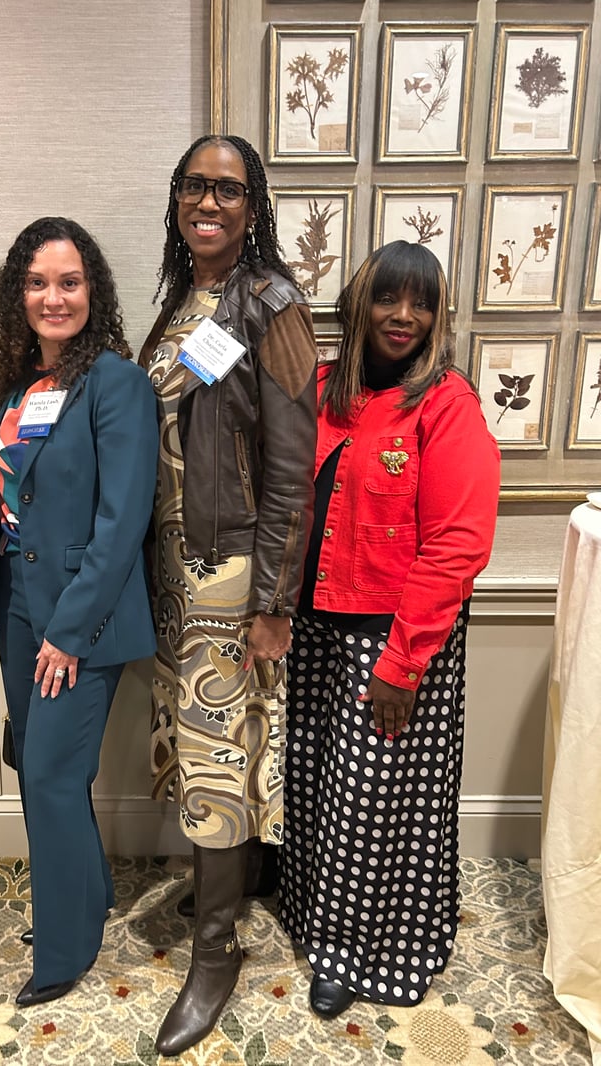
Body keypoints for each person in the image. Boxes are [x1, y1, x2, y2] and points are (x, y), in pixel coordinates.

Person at [278, 240, 501, 1019]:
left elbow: (458, 543)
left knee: (375, 803)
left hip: (393, 639)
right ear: (359, 303)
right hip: (314, 628)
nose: (402, 316)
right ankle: (314, 917)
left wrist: (402, 663)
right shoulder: (320, 392)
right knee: (317, 787)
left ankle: (361, 951)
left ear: (438, 316)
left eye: (421, 303)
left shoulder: (445, 404)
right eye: (387, 298)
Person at [140, 134, 318, 1056]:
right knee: (203, 746)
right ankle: (222, 891)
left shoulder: (273, 304)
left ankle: (217, 952)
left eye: (230, 190)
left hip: (232, 573)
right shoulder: (183, 302)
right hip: (176, 569)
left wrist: (276, 601)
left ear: (255, 207)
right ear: (178, 198)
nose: (210, 201)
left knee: (222, 757)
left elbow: (294, 469)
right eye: (196, 186)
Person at [0, 217, 158, 1008]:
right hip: (18, 606)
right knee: (47, 771)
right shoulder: (22, 388)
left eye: (70, 281)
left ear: (95, 291)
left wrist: (67, 630)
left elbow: (123, 523)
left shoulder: (114, 383)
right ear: (18, 294)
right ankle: (84, 902)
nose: (54, 297)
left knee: (51, 775)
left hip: (76, 620)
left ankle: (62, 952)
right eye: (38, 282)